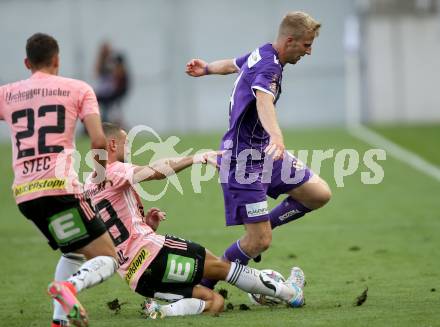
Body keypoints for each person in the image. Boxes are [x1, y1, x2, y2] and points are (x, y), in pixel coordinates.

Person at [83, 123, 305, 319]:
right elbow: (155, 172)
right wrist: (195, 158)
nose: (129, 148)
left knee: (214, 302)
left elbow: (111, 234)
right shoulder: (114, 170)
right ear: (112, 145)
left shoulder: (88, 187)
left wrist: (147, 225)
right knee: (221, 268)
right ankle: (290, 293)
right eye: (126, 143)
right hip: (154, 255)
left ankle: (162, 311)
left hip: (136, 278)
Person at [185, 11, 332, 288]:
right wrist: (277, 136)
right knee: (259, 242)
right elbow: (263, 101)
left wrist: (206, 69)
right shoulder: (269, 68)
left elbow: (233, 64)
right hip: (244, 160)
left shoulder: (264, 53)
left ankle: (265, 223)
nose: (309, 52)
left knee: (318, 194)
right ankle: (204, 285)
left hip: (263, 152)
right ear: (290, 41)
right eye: (306, 45)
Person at [0, 33, 118, 327]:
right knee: (109, 257)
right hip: (59, 188)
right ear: (57, 60)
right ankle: (69, 288)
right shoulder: (78, 89)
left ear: (27, 62)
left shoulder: (7, 94)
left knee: (73, 250)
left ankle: (59, 321)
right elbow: (99, 140)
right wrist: (101, 176)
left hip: (26, 195)